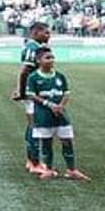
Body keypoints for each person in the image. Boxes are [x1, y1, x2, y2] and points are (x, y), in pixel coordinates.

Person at [26, 48, 90, 181]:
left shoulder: (60, 76)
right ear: (39, 60)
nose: (51, 60)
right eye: (47, 58)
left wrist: (60, 106)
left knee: (67, 141)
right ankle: (49, 169)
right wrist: (49, 105)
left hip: (61, 115)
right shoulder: (33, 77)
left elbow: (66, 93)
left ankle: (72, 169)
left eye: (52, 57)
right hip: (43, 116)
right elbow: (31, 95)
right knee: (46, 143)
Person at [13, 21, 51, 174]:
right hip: (34, 94)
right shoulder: (33, 47)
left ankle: (31, 160)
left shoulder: (35, 47)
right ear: (36, 33)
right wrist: (22, 92)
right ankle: (35, 163)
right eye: (46, 32)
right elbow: (24, 71)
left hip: (35, 93)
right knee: (36, 126)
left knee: (33, 126)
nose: (49, 35)